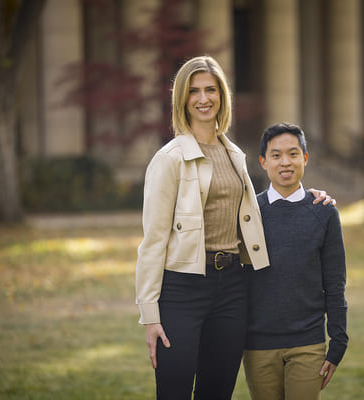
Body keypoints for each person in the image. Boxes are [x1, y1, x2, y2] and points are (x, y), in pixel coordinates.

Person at [135, 56, 334, 400]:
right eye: (194, 91)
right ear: (182, 99)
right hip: (182, 288)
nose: (203, 98)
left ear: (222, 96)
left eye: (211, 89)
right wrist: (150, 315)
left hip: (232, 288)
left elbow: (246, 211)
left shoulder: (234, 155)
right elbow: (153, 241)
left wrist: (306, 197)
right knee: (174, 391)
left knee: (217, 391)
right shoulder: (168, 160)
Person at [243, 122, 349, 400]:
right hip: (258, 345)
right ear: (263, 162)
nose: (285, 162)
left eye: (292, 154)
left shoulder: (323, 212)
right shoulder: (248, 213)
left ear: (305, 158)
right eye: (276, 155)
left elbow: (335, 283)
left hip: (308, 344)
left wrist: (338, 342)